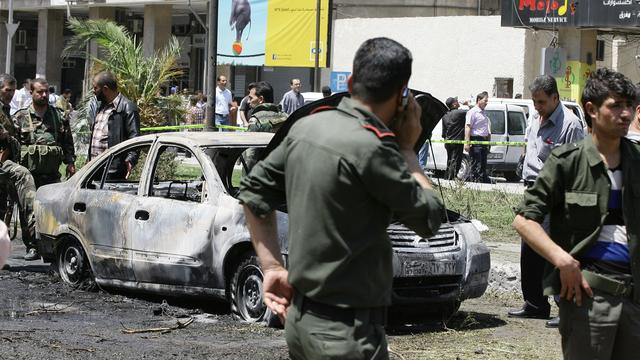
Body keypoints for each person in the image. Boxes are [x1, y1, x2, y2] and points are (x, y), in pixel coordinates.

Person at [238, 37, 444, 359]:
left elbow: (252, 195)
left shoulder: (307, 127)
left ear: (350, 82)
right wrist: (408, 152)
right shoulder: (376, 148)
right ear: (402, 94)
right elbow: (430, 219)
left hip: (301, 322)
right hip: (346, 334)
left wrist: (272, 266)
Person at [512, 68, 638, 359]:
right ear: (592, 110)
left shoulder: (636, 162)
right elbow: (523, 220)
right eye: (616, 105)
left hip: (634, 300)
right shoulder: (568, 162)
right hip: (588, 298)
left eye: (629, 105)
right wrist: (562, 261)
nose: (626, 113)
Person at [508, 75, 585, 327]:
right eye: (534, 102)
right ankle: (534, 304)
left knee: (554, 251)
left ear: (555, 98)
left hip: (555, 194)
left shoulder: (569, 124)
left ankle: (565, 309)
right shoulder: (534, 116)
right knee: (529, 251)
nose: (537, 107)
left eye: (541, 102)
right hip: (532, 190)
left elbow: (574, 165)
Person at [0, 74, 37, 261]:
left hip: (5, 167)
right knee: (24, 176)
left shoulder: (8, 111)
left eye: (13, 90)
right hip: (3, 165)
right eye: (7, 90)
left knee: (4, 210)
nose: (11, 94)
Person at [13, 78, 75, 188]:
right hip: (27, 180)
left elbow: (67, 142)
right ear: (31, 93)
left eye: (47, 91)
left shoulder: (59, 116)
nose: (44, 95)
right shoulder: (20, 117)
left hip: (52, 179)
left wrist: (70, 163)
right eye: (40, 92)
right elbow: (13, 147)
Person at [87, 71, 140, 178]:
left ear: (105, 89)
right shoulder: (100, 106)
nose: (93, 91)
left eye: (95, 88)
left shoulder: (127, 108)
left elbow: (135, 138)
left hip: (111, 171)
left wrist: (130, 159)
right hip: (94, 169)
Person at [464, 91, 491, 183]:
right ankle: (474, 179)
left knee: (483, 161)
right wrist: (467, 143)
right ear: (479, 100)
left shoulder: (483, 112)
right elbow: (467, 127)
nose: (486, 103)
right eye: (485, 100)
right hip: (476, 139)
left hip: (484, 140)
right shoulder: (472, 112)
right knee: (476, 161)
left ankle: (483, 178)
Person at [441, 96, 466, 180]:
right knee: (456, 160)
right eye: (457, 101)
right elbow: (472, 112)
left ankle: (447, 177)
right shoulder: (460, 113)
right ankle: (451, 178)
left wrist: (445, 140)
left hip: (448, 141)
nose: (458, 102)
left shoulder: (445, 115)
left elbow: (444, 130)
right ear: (454, 104)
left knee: (449, 160)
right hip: (457, 141)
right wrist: (468, 104)